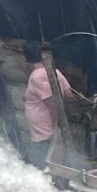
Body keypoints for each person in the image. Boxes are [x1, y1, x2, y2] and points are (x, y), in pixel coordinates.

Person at [22, 40, 73, 168]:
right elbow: (69, 94)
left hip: (44, 135)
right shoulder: (55, 72)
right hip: (51, 131)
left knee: (44, 167)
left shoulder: (36, 76)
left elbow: (52, 102)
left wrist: (59, 120)